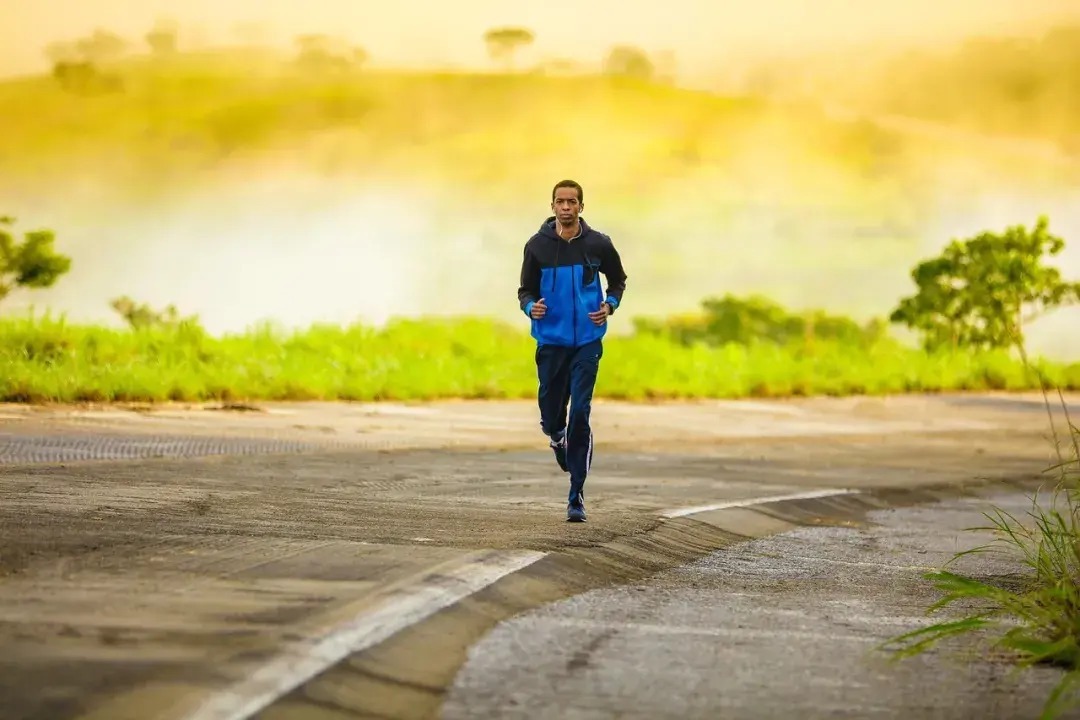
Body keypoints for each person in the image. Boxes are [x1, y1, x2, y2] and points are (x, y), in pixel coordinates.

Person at [517, 179, 628, 522]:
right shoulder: (536, 246)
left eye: (572, 202)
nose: (566, 207)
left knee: (581, 411)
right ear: (552, 206)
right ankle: (556, 436)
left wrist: (609, 305)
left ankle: (576, 494)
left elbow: (619, 280)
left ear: (582, 206)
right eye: (560, 202)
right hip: (551, 341)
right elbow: (524, 291)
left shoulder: (598, 244)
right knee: (553, 415)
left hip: (587, 342)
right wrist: (530, 307)